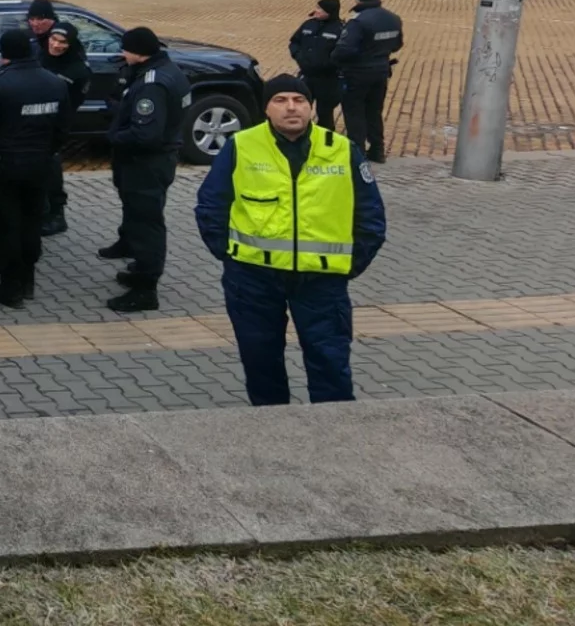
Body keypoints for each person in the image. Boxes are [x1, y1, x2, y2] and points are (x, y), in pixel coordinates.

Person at [195, 76, 387, 406]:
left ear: (311, 108)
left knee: (330, 365)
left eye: (299, 100)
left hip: (321, 281)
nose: (291, 107)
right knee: (261, 363)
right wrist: (231, 257)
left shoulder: (341, 150)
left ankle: (338, 437)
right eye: (281, 100)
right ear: (267, 109)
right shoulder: (241, 146)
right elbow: (211, 207)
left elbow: (370, 216)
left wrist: (349, 265)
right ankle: (274, 432)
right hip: (253, 280)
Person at [0, 30, 69, 308]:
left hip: (4, 168)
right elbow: (63, 128)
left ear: (3, 53)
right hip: (40, 166)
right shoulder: (55, 83)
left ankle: (10, 288)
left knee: (7, 226)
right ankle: (28, 279)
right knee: (32, 222)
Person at [101, 27, 191, 313]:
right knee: (142, 219)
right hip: (156, 160)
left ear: (138, 52)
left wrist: (115, 136)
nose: (122, 54)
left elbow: (146, 134)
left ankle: (145, 290)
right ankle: (141, 269)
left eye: (126, 49)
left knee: (146, 225)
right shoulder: (169, 70)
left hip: (146, 164)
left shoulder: (152, 83)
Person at [334, 0, 404, 163]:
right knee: (374, 111)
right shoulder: (393, 18)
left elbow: (345, 50)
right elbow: (397, 45)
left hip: (357, 73)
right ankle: (377, 150)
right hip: (381, 71)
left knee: (354, 111)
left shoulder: (358, 21)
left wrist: (334, 58)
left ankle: (357, 152)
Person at [40, 21, 91, 236]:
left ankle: (57, 215)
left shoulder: (78, 70)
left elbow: (73, 103)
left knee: (51, 171)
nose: (55, 45)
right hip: (31, 124)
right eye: (53, 39)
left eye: (62, 42)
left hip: (54, 128)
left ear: (70, 45)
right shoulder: (39, 57)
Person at [289, 0, 344, 130]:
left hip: (328, 79)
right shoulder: (308, 24)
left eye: (320, 9)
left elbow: (342, 52)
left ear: (330, 12)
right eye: (317, 8)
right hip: (307, 76)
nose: (316, 11)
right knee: (299, 109)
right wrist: (298, 56)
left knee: (325, 113)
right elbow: (294, 42)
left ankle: (326, 141)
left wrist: (328, 64)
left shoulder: (340, 29)